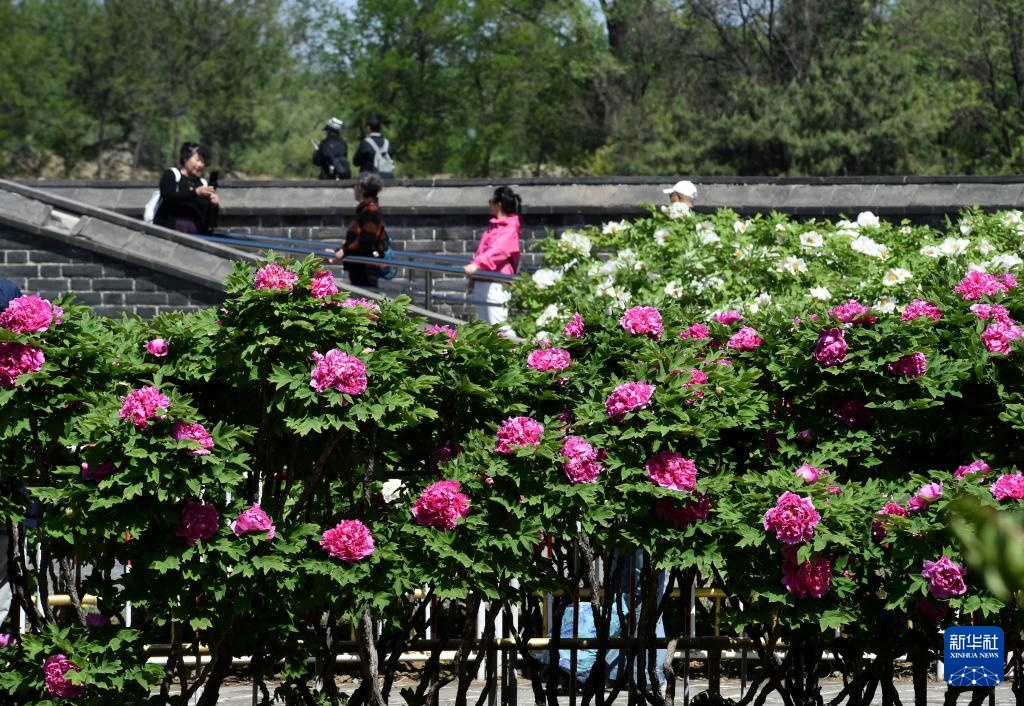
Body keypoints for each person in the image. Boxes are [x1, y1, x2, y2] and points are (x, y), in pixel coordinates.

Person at [463, 186, 521, 331]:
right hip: (483, 279)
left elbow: (498, 251)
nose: (489, 205)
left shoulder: (510, 227)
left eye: (491, 201)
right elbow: (483, 252)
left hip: (497, 282)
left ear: (498, 204)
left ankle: (515, 353)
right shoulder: (494, 226)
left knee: (500, 328)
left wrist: (477, 265)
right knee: (485, 329)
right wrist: (474, 277)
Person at [153, 142, 220, 234]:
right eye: (197, 160)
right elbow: (169, 196)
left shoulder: (202, 183)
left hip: (195, 234)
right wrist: (195, 192)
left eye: (203, 161)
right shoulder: (172, 174)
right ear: (185, 158)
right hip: (170, 230)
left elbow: (208, 220)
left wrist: (214, 206)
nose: (200, 164)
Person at [334, 173, 387, 288]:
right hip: (360, 265)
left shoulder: (370, 210)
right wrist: (341, 250)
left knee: (366, 299)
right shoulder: (365, 209)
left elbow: (367, 240)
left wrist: (344, 251)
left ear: (361, 189)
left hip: (366, 266)